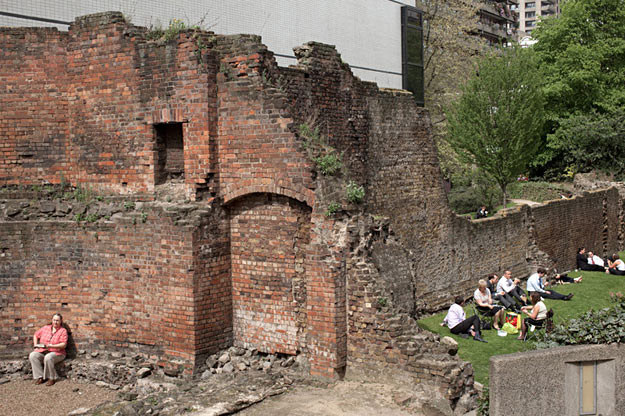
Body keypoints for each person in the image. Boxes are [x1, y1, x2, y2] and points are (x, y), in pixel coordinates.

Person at [29, 313, 68, 386]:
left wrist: (52, 346)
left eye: (57, 320)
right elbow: (36, 335)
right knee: (33, 355)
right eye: (54, 320)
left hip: (58, 353)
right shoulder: (45, 328)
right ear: (52, 320)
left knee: (48, 357)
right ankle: (40, 377)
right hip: (43, 351)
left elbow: (63, 345)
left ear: (60, 321)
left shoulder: (63, 331)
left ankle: (51, 378)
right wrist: (35, 345)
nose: (55, 322)